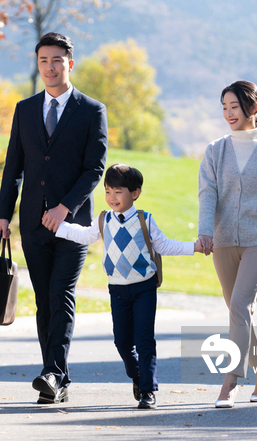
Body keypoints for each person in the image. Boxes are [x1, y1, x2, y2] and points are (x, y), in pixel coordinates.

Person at [0, 32, 108, 404]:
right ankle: (55, 375)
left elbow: (95, 168)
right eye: (43, 61)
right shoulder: (24, 109)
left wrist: (65, 208)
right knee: (45, 299)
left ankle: (53, 374)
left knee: (61, 294)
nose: (50, 67)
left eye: (57, 60)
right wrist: (3, 216)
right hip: (31, 223)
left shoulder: (92, 110)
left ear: (69, 63)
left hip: (72, 226)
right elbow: (14, 166)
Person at [50, 163, 203, 409]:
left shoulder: (145, 219)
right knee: (122, 342)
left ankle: (148, 391)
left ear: (135, 193)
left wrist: (193, 247)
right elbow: (86, 236)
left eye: (118, 191)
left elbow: (164, 246)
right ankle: (138, 376)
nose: (112, 197)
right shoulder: (103, 219)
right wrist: (60, 226)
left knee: (144, 340)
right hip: (117, 290)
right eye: (108, 191)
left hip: (144, 288)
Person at [198, 80, 257, 408]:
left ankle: (231, 379)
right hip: (223, 241)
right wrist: (205, 232)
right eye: (224, 108)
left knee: (239, 305)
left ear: (253, 108)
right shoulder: (215, 150)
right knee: (239, 311)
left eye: (234, 107)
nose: (228, 114)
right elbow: (207, 193)